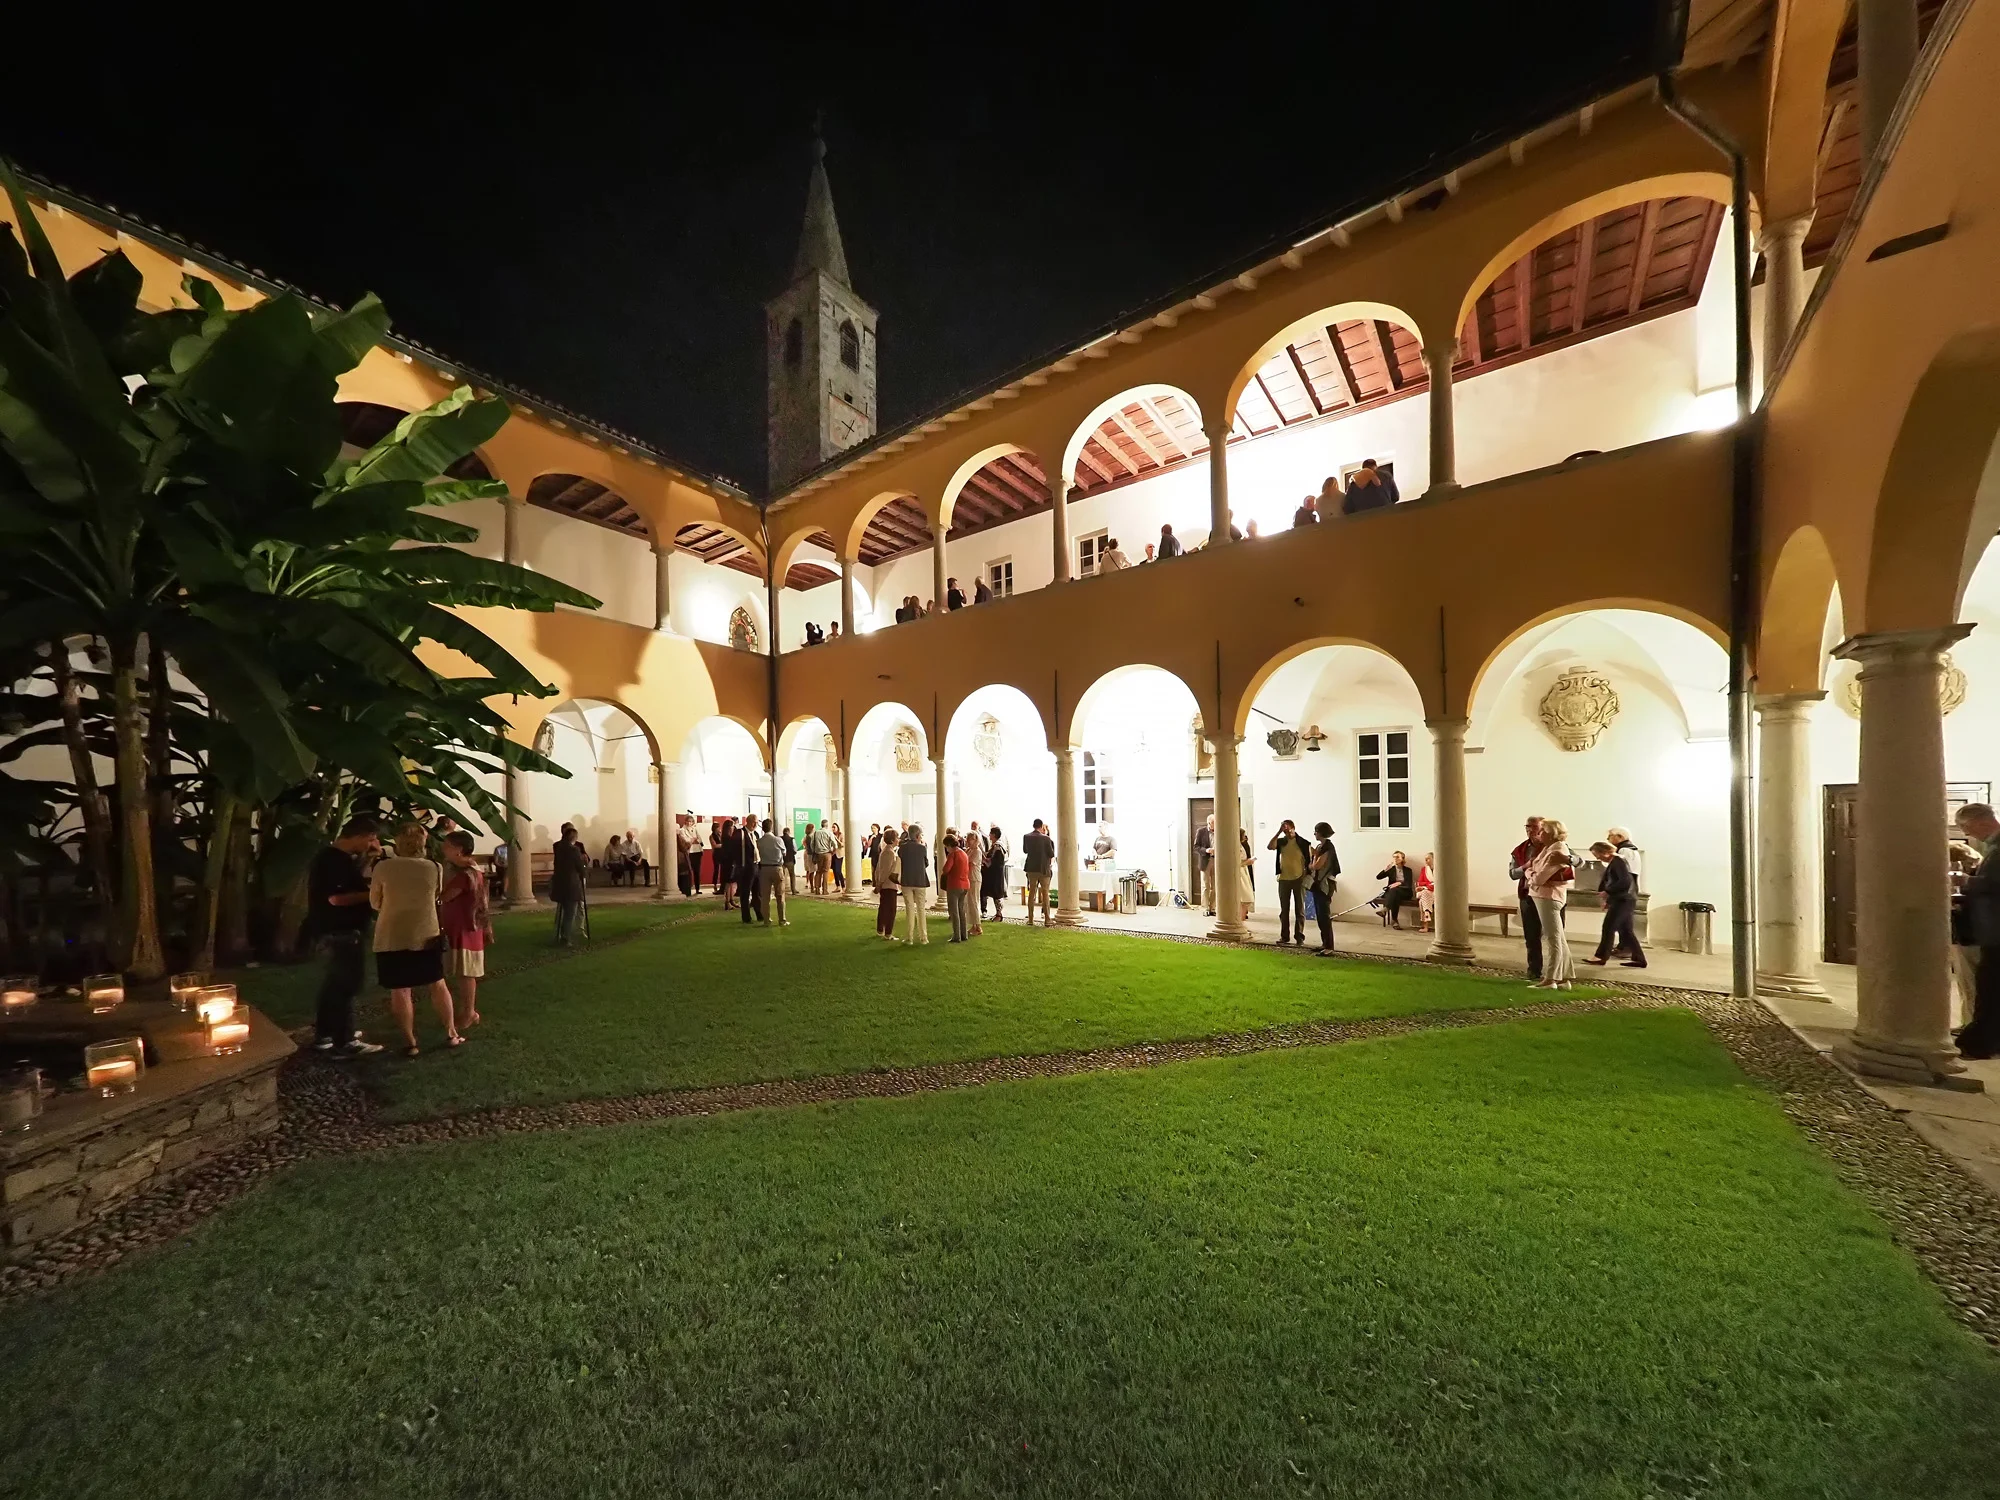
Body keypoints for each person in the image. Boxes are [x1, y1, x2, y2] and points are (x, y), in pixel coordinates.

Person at [370, 821, 460, 1056]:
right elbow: (436, 896)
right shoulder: (434, 867)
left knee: (400, 989)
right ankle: (451, 1033)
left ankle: (411, 1042)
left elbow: (374, 902)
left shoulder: (383, 868)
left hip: (391, 934)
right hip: (425, 933)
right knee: (438, 984)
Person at [305, 816, 385, 1057]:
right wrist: (374, 894)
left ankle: (325, 1035)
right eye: (370, 839)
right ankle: (345, 1041)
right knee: (347, 983)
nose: (372, 844)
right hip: (341, 930)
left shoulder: (336, 859)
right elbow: (336, 899)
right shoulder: (333, 861)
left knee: (335, 984)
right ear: (359, 836)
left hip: (336, 929)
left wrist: (368, 860)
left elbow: (346, 885)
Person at [1953, 803, 2000, 1058]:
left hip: (1995, 929)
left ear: (1981, 821)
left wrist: (1966, 881)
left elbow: (1995, 882)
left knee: (1989, 986)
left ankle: (1980, 1043)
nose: (1966, 833)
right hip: (1989, 928)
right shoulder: (1991, 846)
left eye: (1966, 827)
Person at [439, 831, 491, 1032]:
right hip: (465, 928)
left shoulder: (465, 875)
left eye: (447, 846)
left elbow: (444, 896)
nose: (444, 849)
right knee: (464, 972)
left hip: (465, 930)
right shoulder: (469, 870)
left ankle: (469, 1012)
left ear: (459, 850)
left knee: (466, 973)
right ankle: (467, 1011)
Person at [1527, 818, 1577, 989]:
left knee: (1553, 938)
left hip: (1548, 897)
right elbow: (1535, 869)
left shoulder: (1557, 850)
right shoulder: (1549, 848)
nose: (1539, 833)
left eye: (1542, 830)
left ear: (1550, 833)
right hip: (1544, 895)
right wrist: (1531, 872)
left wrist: (1529, 874)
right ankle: (1564, 978)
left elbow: (1539, 878)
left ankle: (1551, 979)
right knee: (1560, 939)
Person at [1583, 841, 1645, 969]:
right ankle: (1640, 959)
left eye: (1597, 854)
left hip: (1622, 900)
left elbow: (1624, 882)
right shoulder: (1617, 861)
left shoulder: (1618, 862)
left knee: (1608, 927)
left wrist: (1607, 892)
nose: (1597, 858)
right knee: (1627, 931)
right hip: (1625, 899)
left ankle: (1601, 956)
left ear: (1605, 852)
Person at [1508, 815, 1546, 981]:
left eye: (1534, 827)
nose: (1530, 830)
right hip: (1528, 896)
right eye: (1527, 827)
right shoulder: (1520, 850)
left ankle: (1557, 972)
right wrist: (1525, 867)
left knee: (1555, 936)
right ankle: (1534, 970)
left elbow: (1577, 861)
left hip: (1549, 896)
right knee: (1531, 936)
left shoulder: (1554, 846)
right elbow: (1512, 873)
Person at [1268, 820, 1312, 946]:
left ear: (1293, 828)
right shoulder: (1282, 841)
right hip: (1283, 879)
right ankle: (1284, 936)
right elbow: (1270, 846)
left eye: (1287, 829)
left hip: (1298, 878)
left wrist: (1306, 874)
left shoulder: (1303, 843)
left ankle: (1299, 937)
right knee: (1284, 910)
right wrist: (1278, 833)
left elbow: (1309, 859)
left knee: (1299, 909)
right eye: (1284, 830)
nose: (1286, 832)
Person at [550, 823, 589, 945]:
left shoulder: (560, 847)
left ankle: (561, 935)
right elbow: (579, 866)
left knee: (565, 911)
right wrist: (584, 869)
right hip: (571, 884)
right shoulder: (574, 849)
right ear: (573, 837)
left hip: (560, 882)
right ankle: (565, 938)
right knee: (570, 913)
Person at [1308, 822, 1341, 955]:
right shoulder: (1321, 846)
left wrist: (1314, 857)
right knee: (1320, 916)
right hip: (1318, 884)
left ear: (1321, 832)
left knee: (1324, 915)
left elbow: (1316, 866)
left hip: (1325, 885)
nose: (1315, 833)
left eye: (1316, 831)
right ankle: (1324, 943)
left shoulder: (1327, 847)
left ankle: (1329, 946)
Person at [899, 824, 932, 943]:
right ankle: (924, 938)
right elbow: (926, 863)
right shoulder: (922, 848)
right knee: (921, 909)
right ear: (918, 835)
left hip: (907, 880)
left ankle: (909, 937)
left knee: (909, 909)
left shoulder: (902, 848)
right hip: (920, 880)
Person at [756, 818, 789, 926]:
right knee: (780, 895)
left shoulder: (759, 842)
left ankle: (766, 920)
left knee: (765, 897)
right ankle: (782, 920)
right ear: (771, 827)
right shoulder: (778, 840)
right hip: (777, 868)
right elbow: (784, 852)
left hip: (764, 869)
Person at [1021, 819, 1055, 924]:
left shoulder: (1026, 837)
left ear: (1033, 825)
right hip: (1043, 868)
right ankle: (1047, 919)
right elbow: (1051, 854)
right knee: (1045, 894)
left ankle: (1030, 919)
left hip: (1031, 868)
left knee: (1031, 893)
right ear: (1041, 826)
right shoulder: (1046, 839)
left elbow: (1025, 850)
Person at [942, 833, 973, 941]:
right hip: (965, 884)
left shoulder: (953, 854)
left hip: (954, 884)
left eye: (946, 846)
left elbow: (946, 869)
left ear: (949, 845)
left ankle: (956, 935)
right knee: (961, 911)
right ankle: (964, 934)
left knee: (954, 911)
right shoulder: (963, 853)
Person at [873, 823, 902, 938]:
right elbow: (885, 870)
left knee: (884, 907)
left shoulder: (887, 851)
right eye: (897, 838)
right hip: (888, 885)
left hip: (886, 885)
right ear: (893, 839)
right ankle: (887, 932)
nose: (898, 839)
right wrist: (879, 884)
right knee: (890, 909)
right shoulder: (889, 852)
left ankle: (881, 930)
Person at [731, 816, 762, 923]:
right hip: (745, 867)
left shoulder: (756, 834)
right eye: (753, 822)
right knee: (745, 892)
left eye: (757, 823)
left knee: (757, 892)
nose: (755, 825)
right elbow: (734, 849)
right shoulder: (740, 833)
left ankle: (759, 914)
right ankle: (746, 917)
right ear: (747, 822)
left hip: (756, 866)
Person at [1373, 853, 1417, 927]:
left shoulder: (1408, 870)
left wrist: (1399, 883)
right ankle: (1394, 920)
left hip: (1405, 892)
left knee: (1395, 892)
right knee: (1395, 894)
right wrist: (1385, 870)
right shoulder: (1391, 869)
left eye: (1397, 857)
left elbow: (1408, 884)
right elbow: (1378, 877)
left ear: (1402, 859)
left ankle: (1386, 910)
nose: (1395, 859)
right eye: (1394, 857)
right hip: (1393, 892)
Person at [962, 823, 986, 936]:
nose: (968, 841)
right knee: (970, 902)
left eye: (970, 839)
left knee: (974, 901)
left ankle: (978, 926)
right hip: (969, 878)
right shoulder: (969, 850)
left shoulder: (977, 851)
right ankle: (973, 925)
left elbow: (970, 864)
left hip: (974, 878)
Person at [1606, 827, 1643, 895]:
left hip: (1624, 893)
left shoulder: (1624, 851)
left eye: (1610, 836)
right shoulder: (1631, 850)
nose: (1608, 839)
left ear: (1620, 837)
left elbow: (1623, 873)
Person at [982, 823, 1008, 920]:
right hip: (994, 873)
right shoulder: (996, 845)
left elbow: (996, 861)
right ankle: (998, 913)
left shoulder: (998, 846)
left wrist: (986, 861)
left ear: (994, 835)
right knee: (995, 893)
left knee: (997, 894)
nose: (989, 835)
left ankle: (999, 914)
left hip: (996, 874)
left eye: (990, 833)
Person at [1195, 813, 1217, 916]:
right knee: (1205, 885)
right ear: (1208, 822)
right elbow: (1196, 847)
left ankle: (1213, 907)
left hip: (1217, 861)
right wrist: (1206, 850)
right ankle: (1205, 908)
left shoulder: (1219, 831)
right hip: (1205, 861)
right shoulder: (1201, 831)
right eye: (1213, 823)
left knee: (1215, 886)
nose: (1214, 825)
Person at [1417, 852, 1437, 930]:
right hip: (1426, 892)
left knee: (1422, 900)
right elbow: (1419, 882)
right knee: (1425, 894)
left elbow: (1440, 884)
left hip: (1435, 893)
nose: (1426, 861)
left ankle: (1425, 925)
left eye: (1428, 859)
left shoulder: (1440, 870)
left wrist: (1425, 887)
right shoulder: (1424, 869)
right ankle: (1427, 914)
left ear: (1434, 859)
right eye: (1425, 859)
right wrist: (1430, 884)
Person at [785, 822, 803, 894]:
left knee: (782, 877)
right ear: (789, 832)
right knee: (792, 875)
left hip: (782, 860)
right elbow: (795, 849)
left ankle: (782, 889)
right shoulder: (792, 839)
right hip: (790, 859)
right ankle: (793, 890)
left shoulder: (780, 839)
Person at [828, 821, 845, 888]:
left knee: (838, 870)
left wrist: (836, 839)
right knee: (834, 870)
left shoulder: (841, 835)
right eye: (832, 827)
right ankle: (838, 886)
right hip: (833, 854)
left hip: (839, 854)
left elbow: (842, 845)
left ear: (837, 828)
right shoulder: (831, 835)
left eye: (834, 827)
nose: (833, 828)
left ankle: (843, 886)